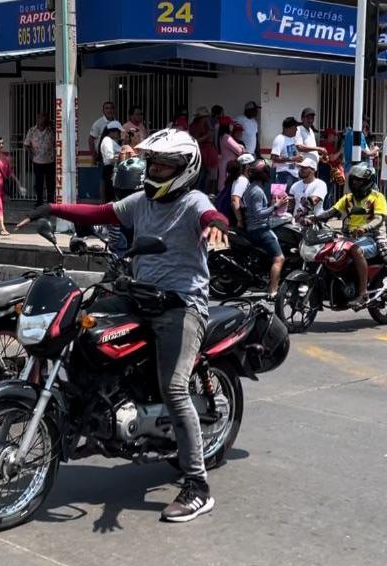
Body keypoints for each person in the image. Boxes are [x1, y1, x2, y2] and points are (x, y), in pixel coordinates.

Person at [18, 128, 230, 523]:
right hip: (138, 294)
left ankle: (197, 486)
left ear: (185, 170)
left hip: (180, 305)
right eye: (153, 163)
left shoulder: (192, 202)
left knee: (175, 388)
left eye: (164, 164)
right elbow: (99, 213)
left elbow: (211, 214)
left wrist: (217, 224)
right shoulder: (141, 201)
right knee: (81, 329)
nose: (156, 170)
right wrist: (53, 208)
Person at [304, 163, 387, 310]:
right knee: (329, 249)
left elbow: (379, 219)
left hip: (371, 237)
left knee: (355, 250)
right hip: (349, 236)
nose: (356, 183)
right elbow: (330, 212)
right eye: (354, 180)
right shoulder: (348, 198)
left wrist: (365, 228)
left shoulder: (377, 197)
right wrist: (313, 218)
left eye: (360, 180)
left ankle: (362, 294)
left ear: (368, 181)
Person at [241, 160, 288, 298]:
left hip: (254, 228)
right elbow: (259, 214)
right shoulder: (256, 191)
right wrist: (276, 206)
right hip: (259, 229)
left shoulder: (253, 188)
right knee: (279, 258)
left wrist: (274, 204)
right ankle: (273, 291)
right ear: (264, 174)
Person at [23, 111, 56, 207]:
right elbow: (26, 144)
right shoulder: (32, 131)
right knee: (39, 183)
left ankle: (50, 201)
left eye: (42, 117)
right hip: (37, 161)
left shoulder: (51, 130)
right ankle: (39, 201)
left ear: (46, 119)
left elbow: (57, 142)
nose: (40, 120)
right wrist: (31, 155)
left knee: (50, 182)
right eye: (38, 118)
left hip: (50, 161)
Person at [189, 107, 218, 193]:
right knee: (203, 176)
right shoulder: (197, 126)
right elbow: (195, 139)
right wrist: (207, 135)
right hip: (203, 152)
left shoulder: (205, 124)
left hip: (205, 152)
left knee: (206, 176)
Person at [271, 117, 303, 187]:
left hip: (294, 174)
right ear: (288, 128)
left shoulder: (292, 139)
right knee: (285, 197)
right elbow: (274, 158)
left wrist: (297, 160)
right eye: (295, 127)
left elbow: (292, 156)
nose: (296, 130)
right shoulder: (279, 139)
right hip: (283, 174)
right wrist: (292, 159)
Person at [217, 117, 246, 191]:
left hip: (225, 163)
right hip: (228, 165)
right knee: (226, 186)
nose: (232, 126)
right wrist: (241, 146)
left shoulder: (222, 136)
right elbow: (239, 151)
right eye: (231, 124)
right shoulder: (226, 137)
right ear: (228, 126)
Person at [98, 121, 124, 202]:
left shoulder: (111, 141)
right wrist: (121, 158)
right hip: (110, 169)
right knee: (110, 195)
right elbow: (110, 157)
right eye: (119, 132)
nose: (120, 134)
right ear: (113, 131)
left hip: (111, 169)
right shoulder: (107, 140)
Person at [228, 153, 256, 228]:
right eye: (252, 164)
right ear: (247, 166)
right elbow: (235, 199)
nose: (254, 167)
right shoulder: (242, 180)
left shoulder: (243, 179)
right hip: (237, 220)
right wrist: (240, 220)